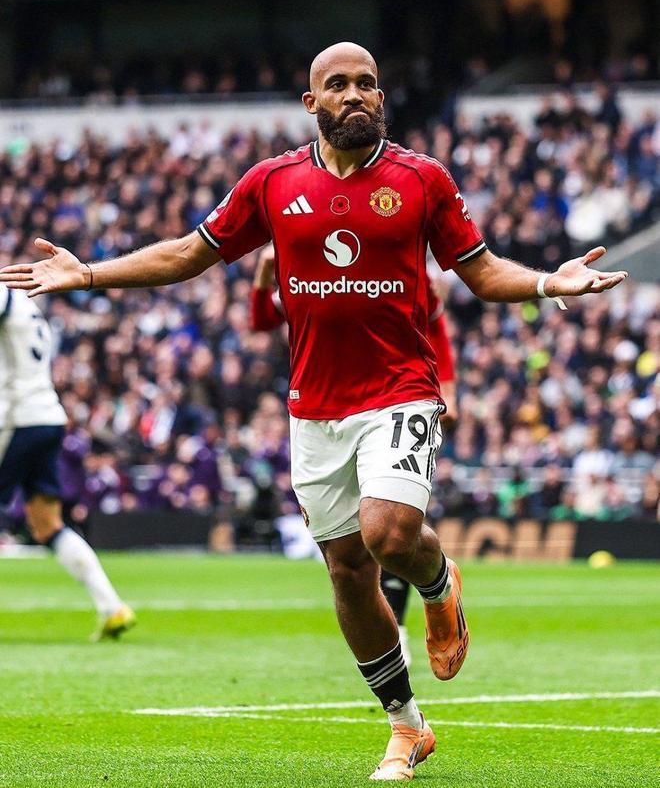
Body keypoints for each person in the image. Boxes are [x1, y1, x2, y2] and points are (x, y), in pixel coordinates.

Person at [0, 42, 627, 781]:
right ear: (312, 102)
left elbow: (482, 272)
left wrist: (550, 283)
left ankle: (438, 583)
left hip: (400, 389)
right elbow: (188, 255)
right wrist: (89, 272)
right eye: (338, 85)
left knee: (387, 533)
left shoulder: (422, 179)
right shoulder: (272, 183)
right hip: (314, 406)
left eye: (367, 84)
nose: (354, 94)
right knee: (348, 572)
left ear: (382, 97)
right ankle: (406, 726)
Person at [250, 242, 459, 666]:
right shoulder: (309, 268)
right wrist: (265, 271)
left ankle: (404, 619)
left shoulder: (404, 267)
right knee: (361, 539)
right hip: (328, 409)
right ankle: (423, 599)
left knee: (388, 525)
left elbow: (435, 325)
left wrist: (449, 391)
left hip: (398, 398)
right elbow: (262, 320)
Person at [0, 283, 136, 641]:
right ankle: (112, 607)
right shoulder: (26, 304)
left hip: (14, 418)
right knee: (47, 524)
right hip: (47, 417)